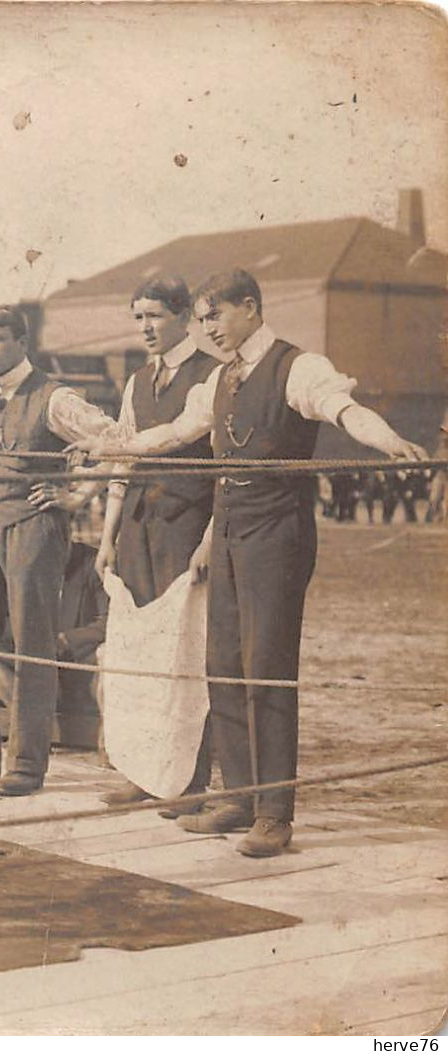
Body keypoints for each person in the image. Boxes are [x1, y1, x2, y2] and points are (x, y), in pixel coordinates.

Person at [73, 268, 427, 856]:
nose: (207, 327)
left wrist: (390, 442)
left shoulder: (298, 367)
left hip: (277, 534)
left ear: (251, 307)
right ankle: (236, 799)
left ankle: (273, 813)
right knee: (223, 665)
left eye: (215, 315)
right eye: (203, 318)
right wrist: (106, 447)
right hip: (230, 530)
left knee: (265, 668)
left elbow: (345, 411)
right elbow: (169, 435)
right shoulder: (218, 380)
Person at [0, 305, 119, 797]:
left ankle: (28, 764)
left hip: (36, 526)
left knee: (31, 640)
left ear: (21, 342)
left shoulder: (55, 398)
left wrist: (75, 495)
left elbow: (116, 441)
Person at [95, 275, 226, 815]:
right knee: (138, 650)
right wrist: (107, 536)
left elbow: (224, 468)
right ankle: (143, 772)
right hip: (138, 532)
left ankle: (187, 784)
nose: (145, 327)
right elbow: (123, 461)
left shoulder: (212, 377)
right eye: (138, 318)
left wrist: (209, 541)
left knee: (184, 653)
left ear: (183, 317)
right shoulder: (136, 382)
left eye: (154, 316)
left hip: (185, 529)